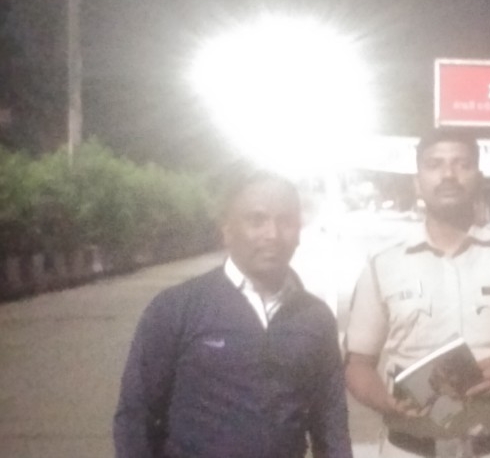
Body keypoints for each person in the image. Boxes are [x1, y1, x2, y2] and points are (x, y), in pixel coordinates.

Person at [345, 130, 490, 458]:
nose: (448, 174)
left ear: (479, 179)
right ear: (417, 183)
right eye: (434, 164)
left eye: (461, 164)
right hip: (409, 449)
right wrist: (384, 401)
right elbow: (358, 365)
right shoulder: (383, 266)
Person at [114, 167, 352, 458]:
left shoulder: (315, 318)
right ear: (227, 230)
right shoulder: (177, 308)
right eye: (257, 220)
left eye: (286, 221)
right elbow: (135, 416)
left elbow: (330, 423)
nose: (273, 234)